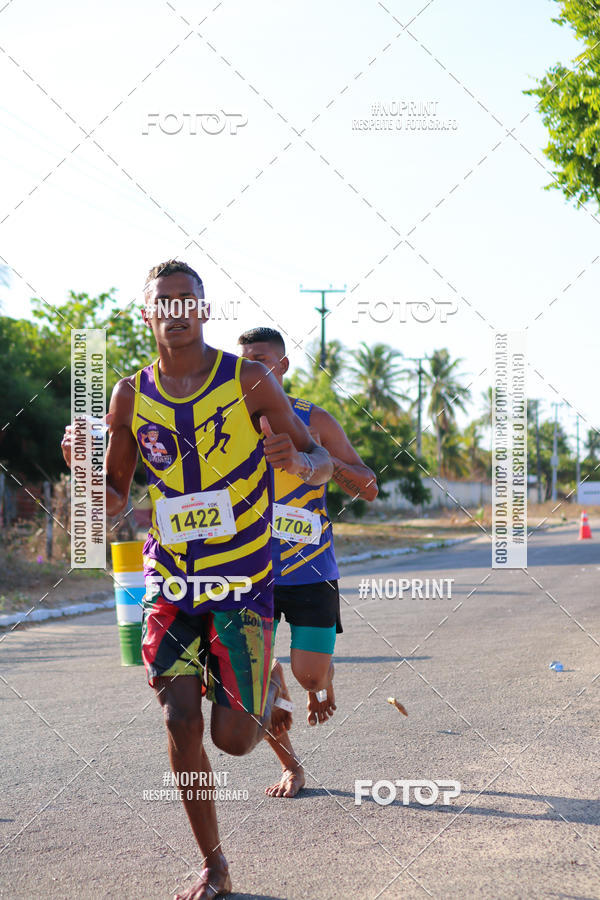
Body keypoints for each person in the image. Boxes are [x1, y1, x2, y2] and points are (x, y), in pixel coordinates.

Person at [61, 261, 332, 900]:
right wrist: (82, 468)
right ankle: (215, 864)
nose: (177, 312)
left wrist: (300, 460)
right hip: (173, 579)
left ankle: (261, 692)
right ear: (148, 314)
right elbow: (115, 497)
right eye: (165, 302)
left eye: (189, 301)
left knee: (233, 740)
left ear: (205, 312)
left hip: (243, 578)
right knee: (180, 720)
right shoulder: (131, 394)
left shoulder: (250, 379)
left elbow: (319, 463)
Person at [237, 327, 378, 799]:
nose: (251, 368)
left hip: (311, 569)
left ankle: (320, 678)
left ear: (281, 367)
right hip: (246, 570)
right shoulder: (224, 424)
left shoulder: (313, 420)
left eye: (261, 360)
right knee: (254, 686)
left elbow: (368, 486)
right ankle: (291, 767)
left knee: (311, 675)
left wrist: (318, 459)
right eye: (245, 360)